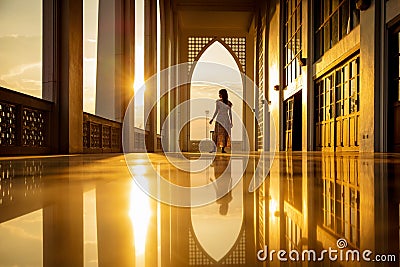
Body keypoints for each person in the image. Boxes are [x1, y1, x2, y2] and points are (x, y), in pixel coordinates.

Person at [209, 89, 233, 153]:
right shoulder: (218, 102)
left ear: (223, 94)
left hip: (226, 119)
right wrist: (212, 119)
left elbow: (230, 113)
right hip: (219, 119)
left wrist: (231, 122)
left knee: (225, 134)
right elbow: (216, 111)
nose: (219, 95)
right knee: (217, 133)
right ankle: (214, 148)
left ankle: (223, 149)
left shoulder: (229, 103)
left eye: (220, 94)